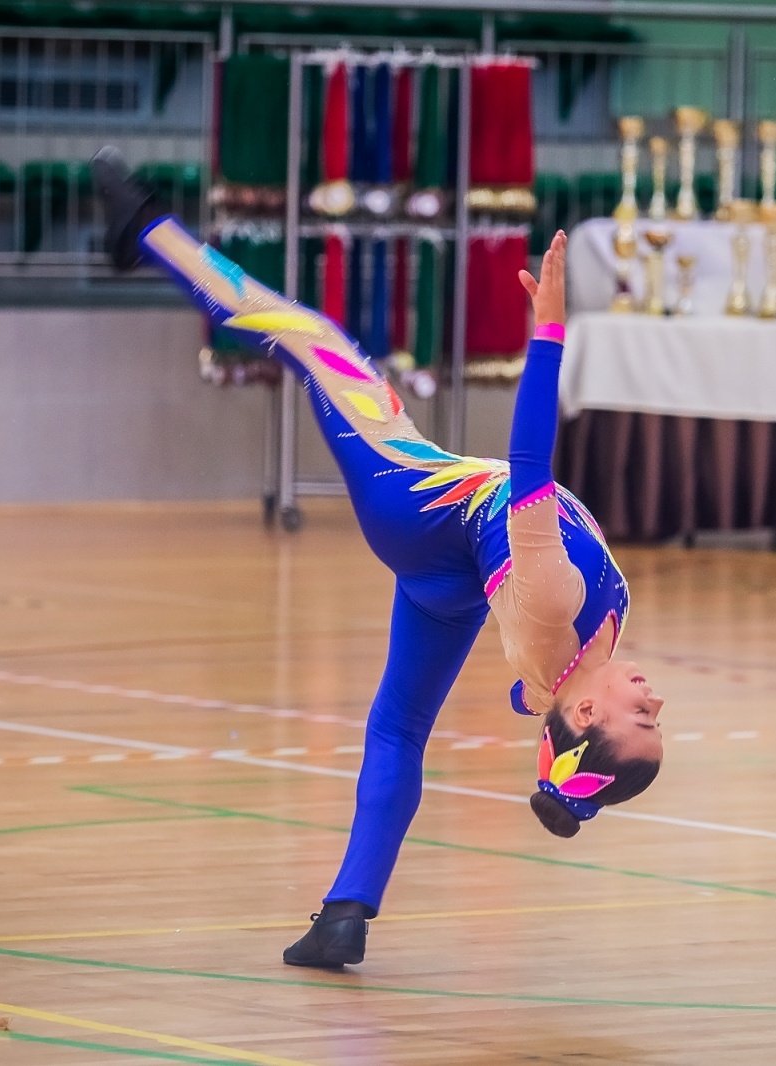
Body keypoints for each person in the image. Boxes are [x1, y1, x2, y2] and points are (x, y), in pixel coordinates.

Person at [92, 149, 664, 969]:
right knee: (398, 726)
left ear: (583, 717)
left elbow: (532, 466)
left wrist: (548, 332)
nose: (655, 698)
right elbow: (536, 708)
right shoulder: (583, 653)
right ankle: (344, 916)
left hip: (419, 506)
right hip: (457, 576)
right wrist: (571, 790)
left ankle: (146, 227)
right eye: (654, 716)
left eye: (640, 717)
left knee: (307, 335)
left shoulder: (552, 604)